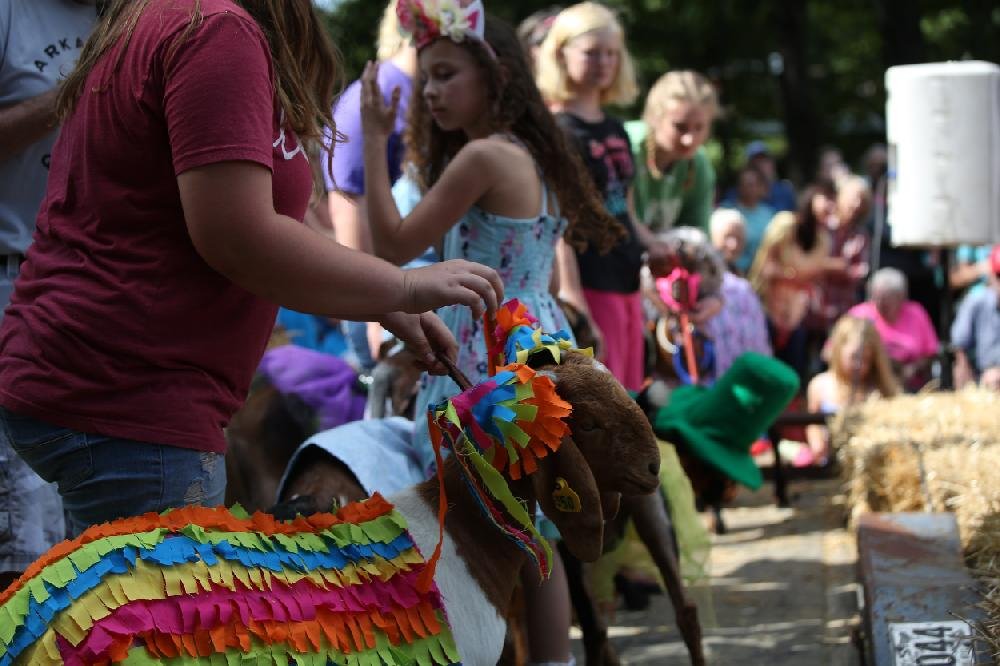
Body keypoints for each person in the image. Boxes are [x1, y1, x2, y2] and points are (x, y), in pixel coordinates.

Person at [0, 0, 504, 541]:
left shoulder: (176, 16)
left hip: (103, 379)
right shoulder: (212, 28)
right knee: (163, 620)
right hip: (131, 392)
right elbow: (237, 236)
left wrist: (382, 301)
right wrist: (404, 283)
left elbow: (257, 214)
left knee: (112, 615)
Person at [361, 3, 620, 663]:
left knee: (480, 522)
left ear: (494, 75)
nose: (430, 92)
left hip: (483, 348)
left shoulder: (481, 157)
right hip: (537, 336)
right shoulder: (533, 152)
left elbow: (390, 242)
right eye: (425, 79)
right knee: (535, 529)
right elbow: (549, 281)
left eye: (445, 74)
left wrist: (372, 136)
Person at [0, 0, 98, 590]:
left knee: (76, 554)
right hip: (12, 279)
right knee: (19, 535)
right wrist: (73, 91)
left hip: (94, 291)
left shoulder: (125, 12)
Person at [536, 1, 649, 391]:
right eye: (591, 52)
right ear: (560, 54)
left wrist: (660, 246)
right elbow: (557, 223)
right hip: (592, 280)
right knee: (604, 398)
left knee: (631, 396)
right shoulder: (556, 131)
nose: (604, 62)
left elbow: (626, 209)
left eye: (611, 53)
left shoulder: (617, 128)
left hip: (628, 278)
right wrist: (573, 299)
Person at [625, 70, 718, 236]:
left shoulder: (699, 163)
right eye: (680, 127)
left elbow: (698, 233)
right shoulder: (627, 149)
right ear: (655, 117)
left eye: (699, 128)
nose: (689, 139)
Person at [806, 316, 899, 464]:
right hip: (829, 464)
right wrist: (817, 443)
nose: (859, 365)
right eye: (854, 357)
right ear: (838, 350)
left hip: (868, 463)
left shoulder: (877, 390)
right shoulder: (820, 385)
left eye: (866, 360)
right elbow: (812, 424)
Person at [848, 267, 939, 391]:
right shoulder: (859, 314)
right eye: (876, 298)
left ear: (902, 297)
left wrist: (913, 368)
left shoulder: (916, 313)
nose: (880, 303)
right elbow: (833, 351)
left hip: (910, 386)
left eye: (886, 299)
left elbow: (931, 352)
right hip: (868, 386)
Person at [951, 245, 1000, 391]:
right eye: (999, 276)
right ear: (991, 276)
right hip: (981, 381)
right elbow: (959, 348)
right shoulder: (976, 301)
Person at [720, 165, 776, 273]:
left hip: (759, 276)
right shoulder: (725, 212)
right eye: (743, 184)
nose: (747, 188)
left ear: (761, 187)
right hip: (730, 272)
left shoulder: (769, 215)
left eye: (752, 184)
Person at [724, 140, 796, 213]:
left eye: (764, 160)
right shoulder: (735, 193)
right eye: (756, 161)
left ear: (772, 164)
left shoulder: (784, 191)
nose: (761, 166)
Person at [709, 207, 747, 274]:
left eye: (739, 239)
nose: (734, 245)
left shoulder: (739, 278)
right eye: (727, 236)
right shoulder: (699, 272)